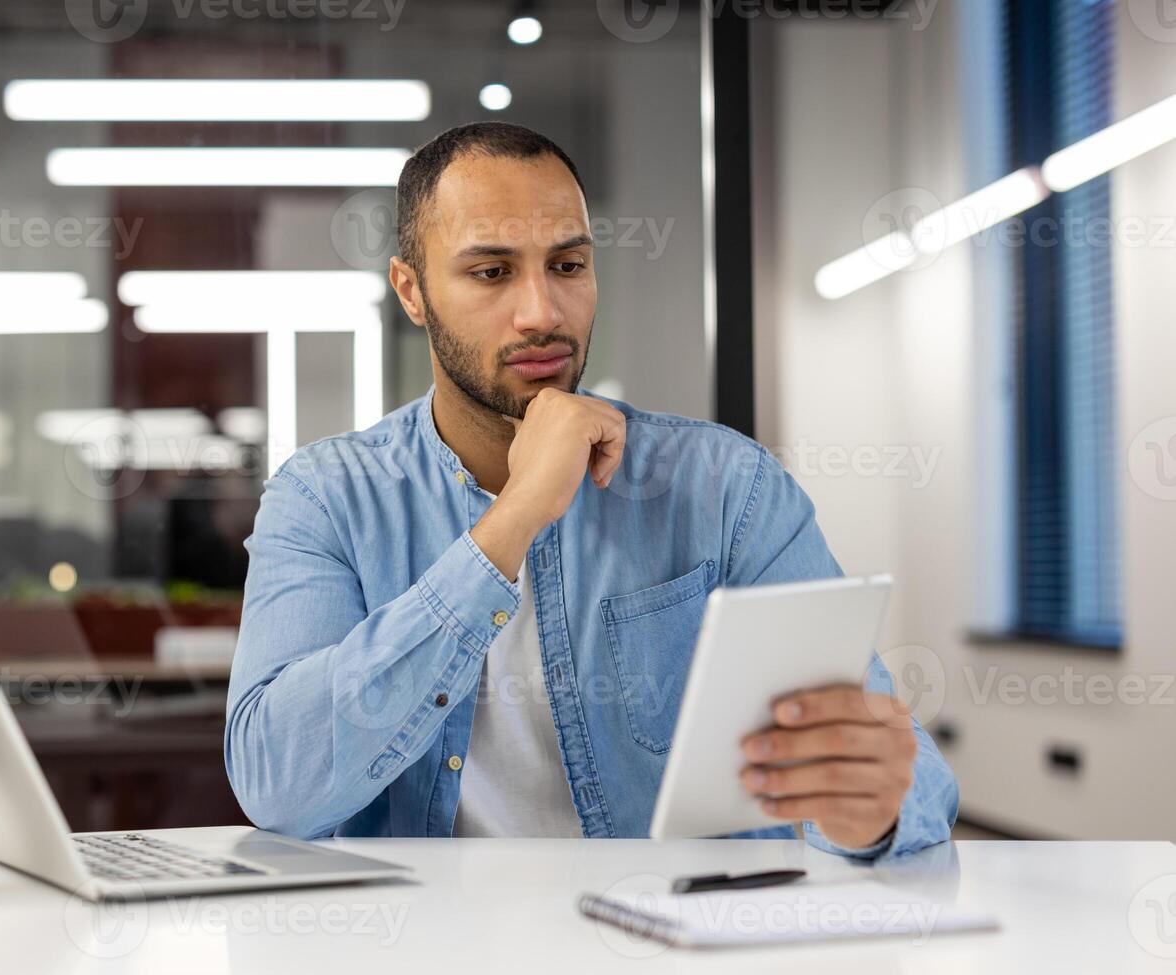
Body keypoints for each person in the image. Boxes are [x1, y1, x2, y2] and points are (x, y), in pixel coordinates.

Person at [225, 122, 957, 857]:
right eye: (491, 272)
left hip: (676, 949)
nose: (542, 312)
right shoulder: (327, 497)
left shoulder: (724, 488)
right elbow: (277, 786)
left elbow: (903, 770)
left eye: (568, 265)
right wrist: (512, 520)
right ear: (412, 292)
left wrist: (871, 815)